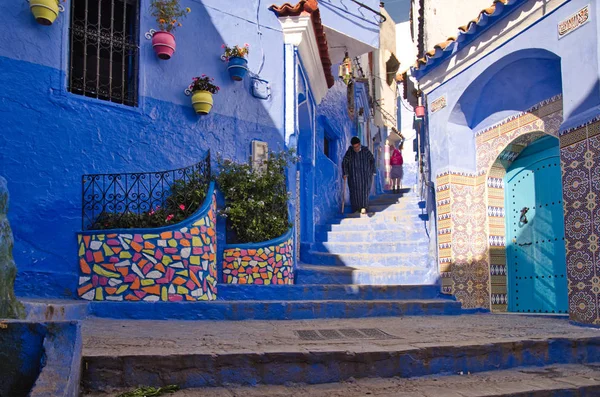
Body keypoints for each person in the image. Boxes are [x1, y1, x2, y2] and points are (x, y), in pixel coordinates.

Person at [342, 137, 376, 214]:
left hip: (365, 175)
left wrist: (372, 170)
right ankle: (356, 208)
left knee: (365, 191)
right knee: (354, 192)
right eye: (354, 147)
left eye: (357, 146)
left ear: (360, 144)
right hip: (353, 176)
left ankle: (364, 207)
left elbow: (372, 160)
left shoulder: (365, 150)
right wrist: (345, 173)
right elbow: (344, 162)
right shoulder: (350, 152)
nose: (356, 148)